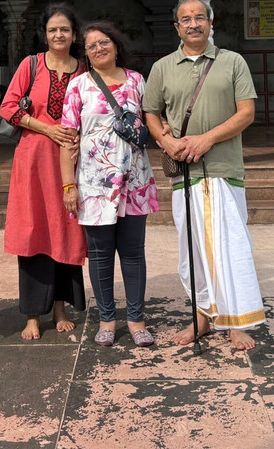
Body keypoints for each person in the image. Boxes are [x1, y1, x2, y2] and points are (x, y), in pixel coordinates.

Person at [143, 0, 265, 351]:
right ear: (177, 27)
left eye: (200, 17)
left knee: (231, 247)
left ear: (211, 23)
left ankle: (235, 321)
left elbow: (246, 113)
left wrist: (207, 139)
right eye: (186, 19)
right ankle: (202, 317)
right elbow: (150, 111)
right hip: (186, 173)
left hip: (224, 169)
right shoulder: (163, 67)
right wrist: (166, 141)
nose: (193, 23)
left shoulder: (232, 62)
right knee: (193, 249)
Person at [60, 22, 159, 347]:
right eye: (91, 46)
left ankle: (136, 319)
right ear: (85, 54)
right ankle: (106, 319)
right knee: (101, 254)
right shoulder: (78, 86)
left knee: (133, 253)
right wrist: (68, 185)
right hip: (94, 184)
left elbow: (152, 120)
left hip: (134, 181)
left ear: (116, 46)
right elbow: (67, 139)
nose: (98, 48)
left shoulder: (137, 81)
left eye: (104, 42)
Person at [0, 3, 87, 340]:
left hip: (70, 163)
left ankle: (60, 308)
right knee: (34, 232)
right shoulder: (31, 64)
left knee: (66, 231)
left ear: (74, 35)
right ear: (45, 35)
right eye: (53, 30)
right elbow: (8, 107)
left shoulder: (84, 71)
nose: (58, 35)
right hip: (33, 162)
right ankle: (33, 315)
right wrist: (47, 128)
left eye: (64, 29)